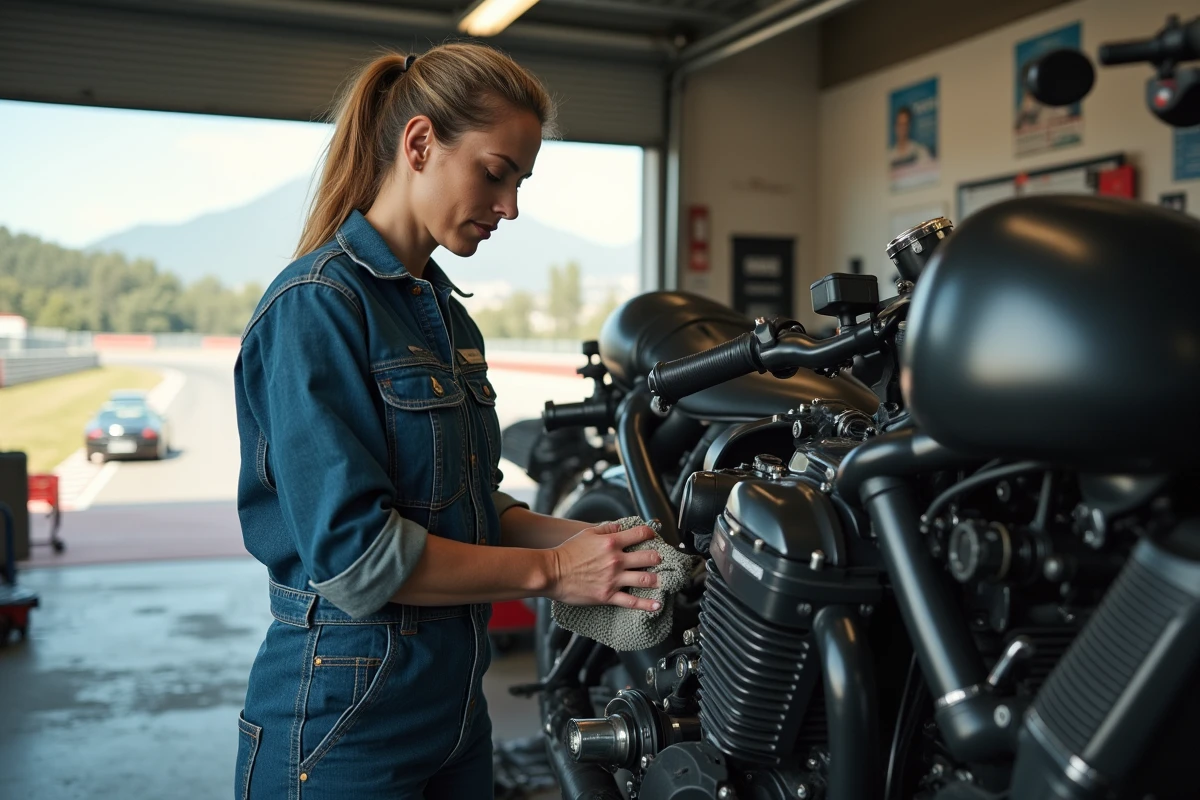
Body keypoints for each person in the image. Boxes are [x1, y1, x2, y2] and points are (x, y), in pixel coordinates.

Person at [232, 42, 662, 799]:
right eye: (496, 174)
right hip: (344, 718)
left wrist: (609, 547)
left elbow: (471, 511)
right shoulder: (316, 307)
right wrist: (558, 572)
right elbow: (358, 559)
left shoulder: (446, 320)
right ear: (421, 143)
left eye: (520, 183)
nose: (510, 207)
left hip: (457, 710)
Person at [887, 105, 934, 173]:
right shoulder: (889, 156)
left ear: (909, 126)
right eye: (899, 124)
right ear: (895, 126)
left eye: (905, 124)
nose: (902, 129)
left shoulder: (920, 151)